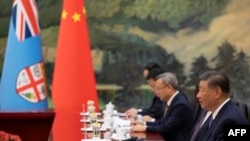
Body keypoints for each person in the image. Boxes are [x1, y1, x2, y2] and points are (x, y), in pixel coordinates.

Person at [130, 72, 194, 141]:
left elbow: (166, 128)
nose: (156, 92)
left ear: (169, 87)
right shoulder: (170, 100)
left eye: (158, 89)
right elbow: (162, 122)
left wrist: (145, 128)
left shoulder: (180, 105)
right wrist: (143, 123)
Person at [188, 70, 249, 141]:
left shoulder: (231, 121)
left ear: (217, 92)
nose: (198, 95)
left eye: (202, 90)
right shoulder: (214, 113)